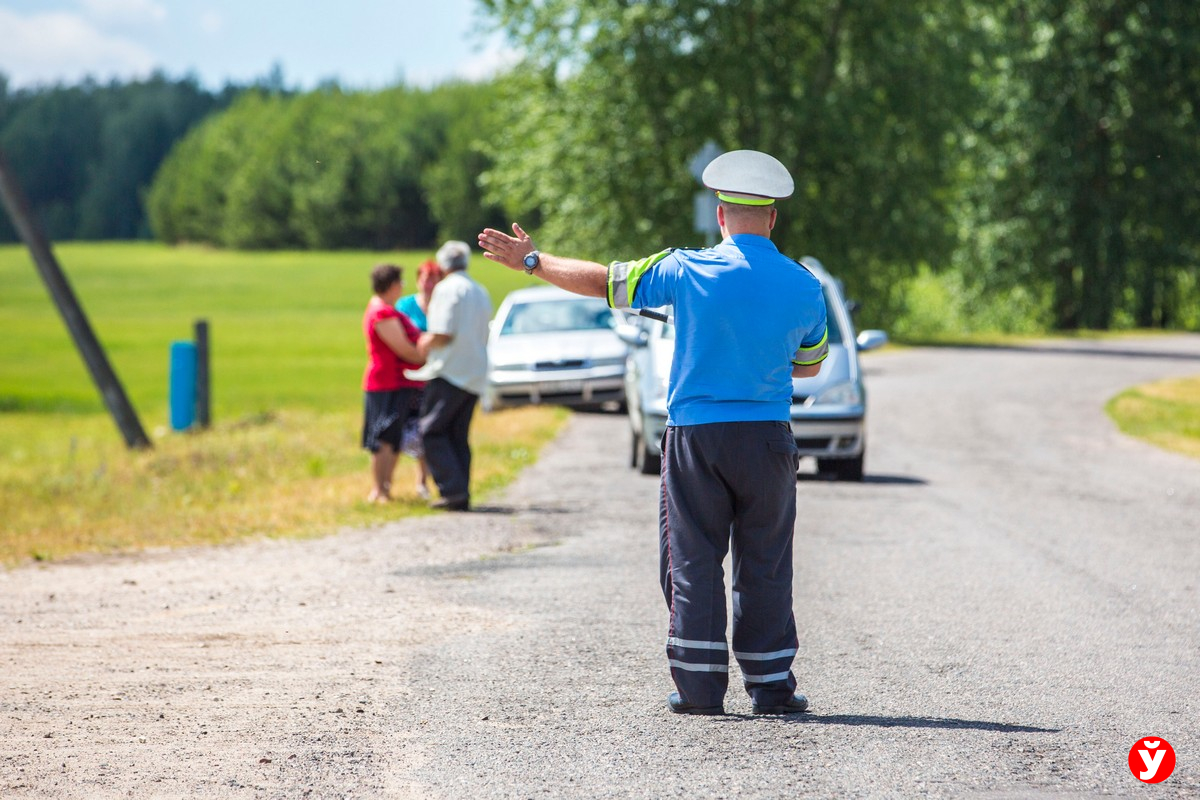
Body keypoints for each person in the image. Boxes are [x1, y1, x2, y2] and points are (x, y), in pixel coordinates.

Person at [477, 150, 828, 716]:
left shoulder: (683, 269)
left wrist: (533, 260)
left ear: (719, 215)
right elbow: (808, 365)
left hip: (696, 437)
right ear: (773, 218)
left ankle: (699, 689)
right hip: (767, 439)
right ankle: (770, 686)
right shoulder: (804, 285)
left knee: (692, 559)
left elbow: (604, 282)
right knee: (766, 561)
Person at [407, 241, 492, 511]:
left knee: (431, 431)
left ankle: (452, 490)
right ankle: (461, 491)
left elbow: (443, 333)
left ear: (443, 265)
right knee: (458, 434)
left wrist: (425, 341)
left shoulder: (446, 289)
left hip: (450, 371)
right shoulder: (480, 291)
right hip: (476, 372)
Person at [361, 263, 425, 503]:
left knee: (392, 439)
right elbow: (404, 350)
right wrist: (428, 357)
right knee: (383, 439)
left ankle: (385, 488)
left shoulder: (385, 308)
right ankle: (379, 490)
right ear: (392, 285)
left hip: (395, 382)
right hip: (384, 382)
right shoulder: (382, 312)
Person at [395, 259, 444, 499]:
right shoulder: (405, 305)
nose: (428, 284)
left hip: (435, 375)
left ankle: (423, 479)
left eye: (433, 279)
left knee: (428, 427)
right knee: (404, 429)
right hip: (409, 374)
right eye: (424, 278)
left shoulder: (444, 306)